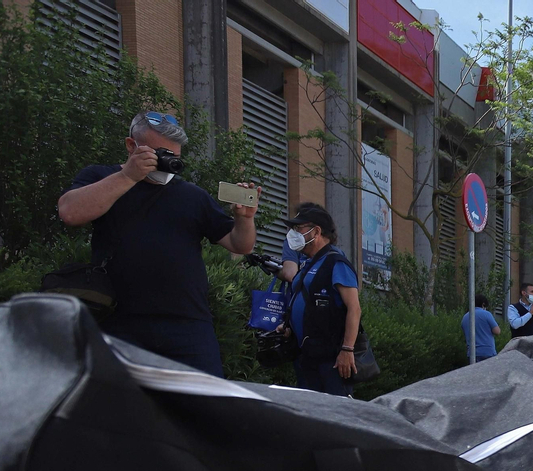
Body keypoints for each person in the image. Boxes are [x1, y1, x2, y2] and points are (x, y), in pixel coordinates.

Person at [57, 111, 258, 377]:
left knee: (205, 409)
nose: (167, 164)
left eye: (174, 157)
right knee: (122, 410)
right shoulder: (102, 177)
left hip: (187, 326)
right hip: (118, 322)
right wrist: (128, 176)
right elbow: (70, 213)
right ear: (132, 146)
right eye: (159, 154)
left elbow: (239, 245)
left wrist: (244, 219)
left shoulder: (192, 196)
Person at [276, 205, 361, 396]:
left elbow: (354, 309)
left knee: (335, 416)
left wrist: (347, 350)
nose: (294, 234)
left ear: (316, 231)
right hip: (306, 357)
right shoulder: (306, 265)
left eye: (299, 229)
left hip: (331, 359)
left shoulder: (335, 263)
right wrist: (289, 328)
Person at [278, 201, 328, 282]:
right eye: (294, 228)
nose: (294, 233)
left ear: (316, 231)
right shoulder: (292, 242)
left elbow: (290, 274)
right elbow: (290, 274)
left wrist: (277, 271)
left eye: (299, 227)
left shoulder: (336, 259)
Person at [462, 295, 501, 362]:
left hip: (471, 353)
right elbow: (497, 331)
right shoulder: (486, 314)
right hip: (487, 352)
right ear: (483, 304)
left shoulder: (465, 317)